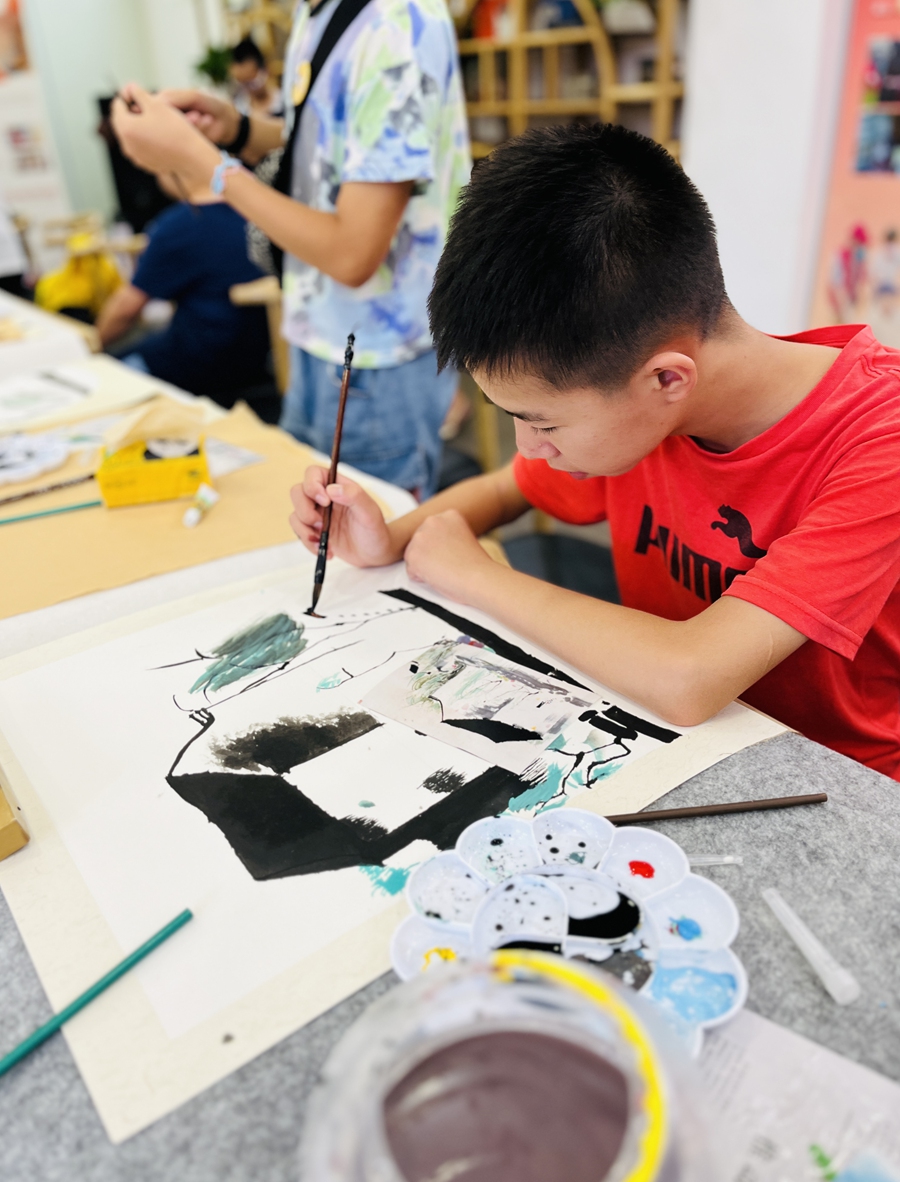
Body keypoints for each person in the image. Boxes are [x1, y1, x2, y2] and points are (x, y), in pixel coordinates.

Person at [289, 124, 900, 781]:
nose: (531, 447)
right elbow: (503, 489)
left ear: (668, 380)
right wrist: (393, 538)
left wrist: (476, 576)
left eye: (543, 423)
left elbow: (689, 676)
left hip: (837, 780)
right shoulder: (646, 407)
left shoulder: (878, 440)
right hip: (675, 741)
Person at [111, 0, 470, 498]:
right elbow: (339, 142)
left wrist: (203, 164)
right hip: (317, 331)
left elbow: (353, 254)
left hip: (374, 354)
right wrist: (235, 130)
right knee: (313, 535)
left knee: (363, 552)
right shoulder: (319, 14)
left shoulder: (395, 24)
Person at [96, 172, 269, 399]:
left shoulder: (180, 225)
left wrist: (90, 347)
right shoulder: (262, 209)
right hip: (262, 360)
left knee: (103, 373)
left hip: (202, 364)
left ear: (169, 170)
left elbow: (126, 309)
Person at [228, 36, 283, 119]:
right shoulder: (239, 112)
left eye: (252, 82)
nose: (249, 89)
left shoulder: (284, 102)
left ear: (265, 70)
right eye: (243, 84)